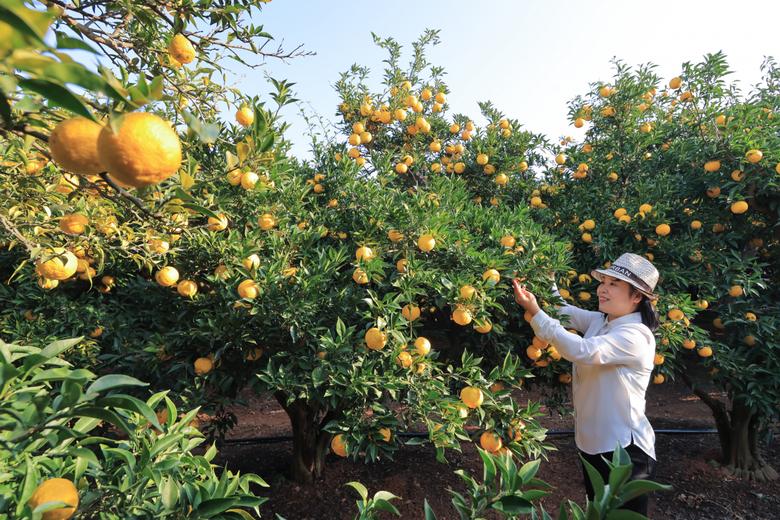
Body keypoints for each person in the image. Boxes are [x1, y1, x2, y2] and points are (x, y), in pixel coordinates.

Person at [512, 252, 660, 516]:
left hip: (625, 452)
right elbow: (562, 311)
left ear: (637, 296)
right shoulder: (600, 321)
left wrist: (534, 311)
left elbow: (580, 350)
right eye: (603, 281)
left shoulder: (636, 336)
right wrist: (547, 277)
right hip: (593, 444)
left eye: (614, 284)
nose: (603, 288)